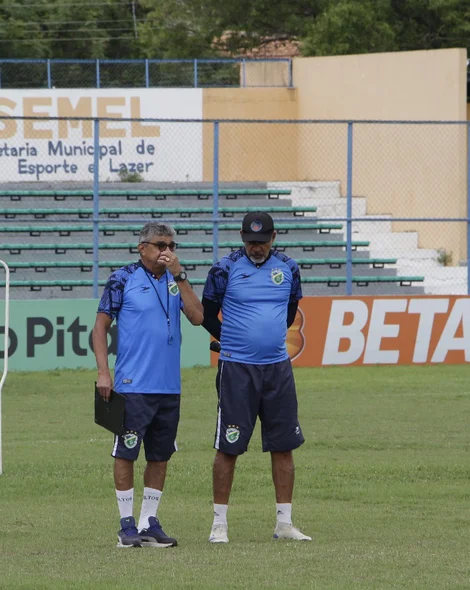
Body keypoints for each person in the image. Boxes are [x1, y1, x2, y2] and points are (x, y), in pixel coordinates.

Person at [201, 211, 312, 543]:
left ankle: (284, 523)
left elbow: (290, 311)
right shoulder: (224, 269)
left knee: (284, 445)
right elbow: (206, 313)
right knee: (228, 446)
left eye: (262, 242)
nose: (256, 248)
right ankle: (219, 524)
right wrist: (230, 337)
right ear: (241, 238)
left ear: (273, 239)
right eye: (250, 242)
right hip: (237, 369)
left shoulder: (289, 268)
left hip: (278, 368)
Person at [92, 222, 204, 548]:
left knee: (160, 455)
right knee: (126, 452)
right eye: (160, 245)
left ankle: (148, 522)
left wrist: (181, 276)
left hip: (168, 386)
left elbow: (198, 317)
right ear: (143, 248)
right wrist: (104, 372)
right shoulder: (122, 278)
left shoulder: (175, 279)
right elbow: (99, 328)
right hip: (132, 384)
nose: (166, 251)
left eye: (171, 245)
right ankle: (126, 524)